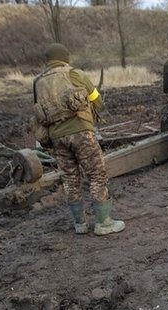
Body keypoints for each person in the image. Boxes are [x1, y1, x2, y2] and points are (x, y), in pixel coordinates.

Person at [32, 43, 125, 236]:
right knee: (97, 174)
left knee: (70, 179)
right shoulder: (75, 74)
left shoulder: (38, 82)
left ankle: (80, 224)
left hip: (57, 138)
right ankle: (104, 223)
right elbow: (97, 101)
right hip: (81, 133)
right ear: (65, 58)